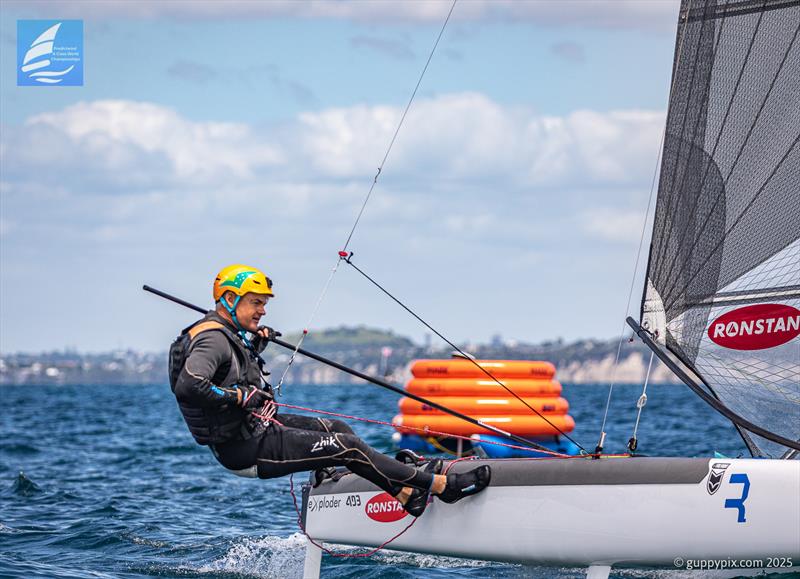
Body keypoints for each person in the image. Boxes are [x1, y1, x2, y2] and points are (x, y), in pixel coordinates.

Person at [169, 264, 490, 517]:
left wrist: (254, 343)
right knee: (347, 447)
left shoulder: (230, 334)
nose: (263, 310)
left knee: (338, 430)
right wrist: (239, 397)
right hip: (244, 449)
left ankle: (404, 493)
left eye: (264, 304)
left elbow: (231, 370)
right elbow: (190, 384)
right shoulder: (213, 338)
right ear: (229, 299)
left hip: (256, 431)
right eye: (256, 303)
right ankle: (440, 486)